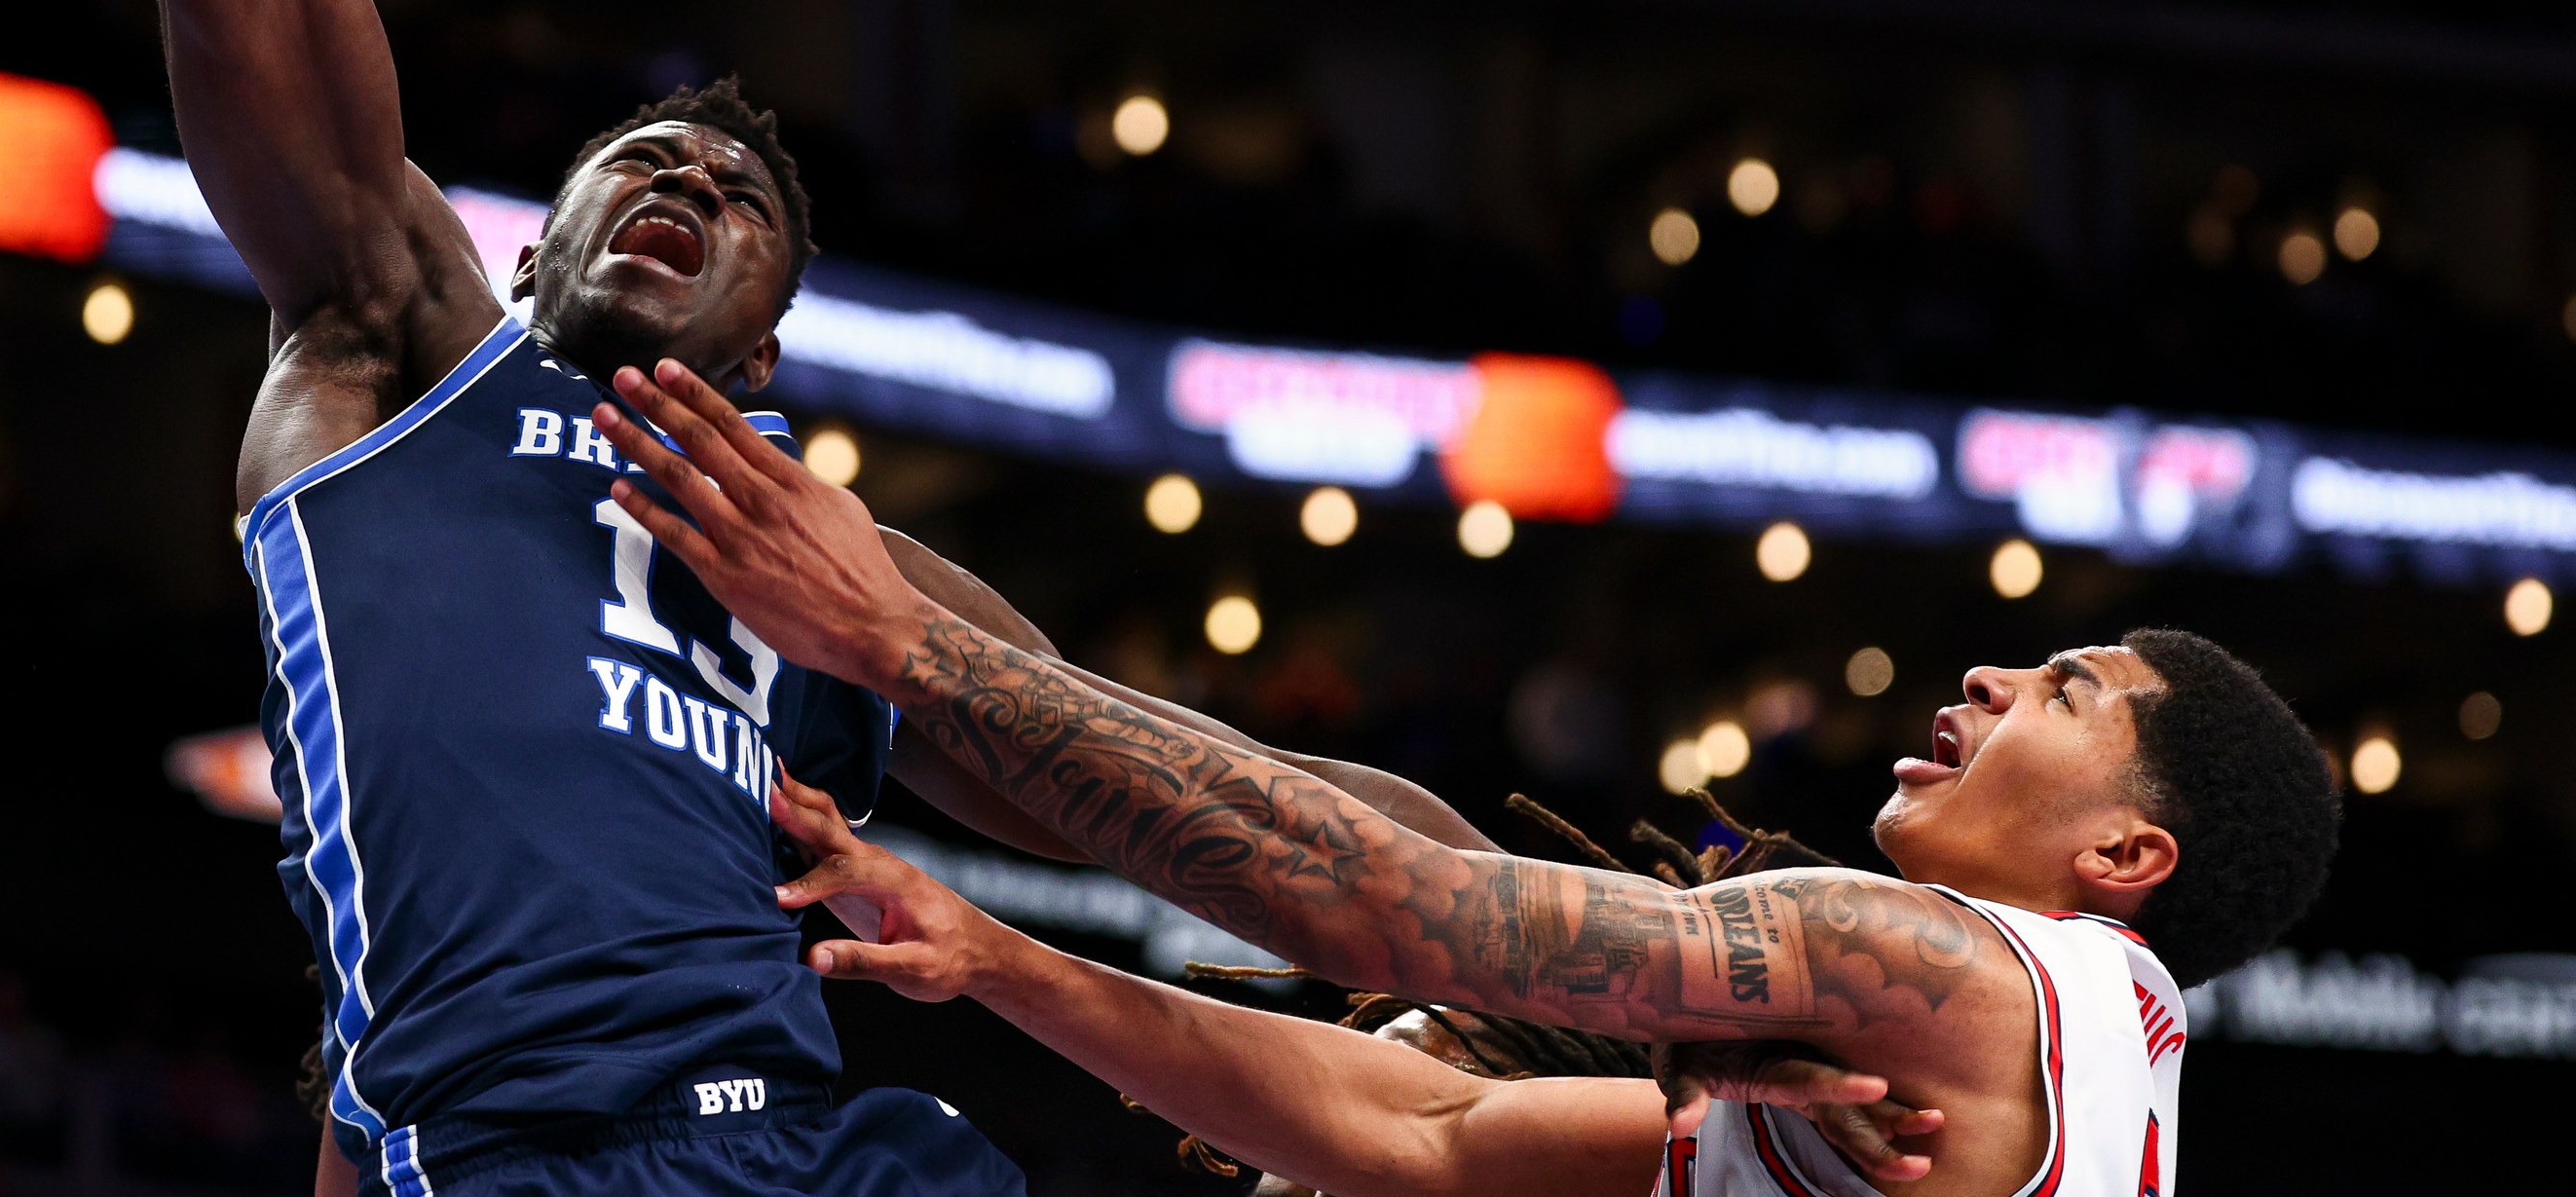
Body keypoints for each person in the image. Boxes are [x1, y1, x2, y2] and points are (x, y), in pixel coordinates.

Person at [140, 0, 1611, 1197]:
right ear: (529, 251)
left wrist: (1597, 946)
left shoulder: (841, 578)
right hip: (527, 1157)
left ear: (764, 347)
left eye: (735, 195)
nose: (681, 178)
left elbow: (1219, 802)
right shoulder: (392, 354)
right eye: (637, 165)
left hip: (836, 1153)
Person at [587, 364, 2345, 1197]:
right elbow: (1414, 1127)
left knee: (1410, 879)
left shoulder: (1944, 971)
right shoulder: (2055, 1062)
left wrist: (905, 649)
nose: (1985, 675)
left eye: (2064, 688)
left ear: (2130, 848)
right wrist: (1003, 960)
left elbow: (1386, 914)